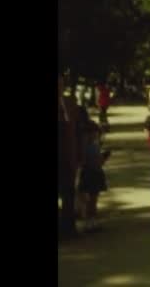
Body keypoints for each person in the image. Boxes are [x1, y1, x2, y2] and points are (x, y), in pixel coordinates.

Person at [58, 73, 83, 239]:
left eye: (60, 84)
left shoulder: (70, 103)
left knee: (68, 192)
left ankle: (68, 228)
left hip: (67, 155)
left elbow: (78, 130)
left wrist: (78, 155)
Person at [77, 121, 110, 233]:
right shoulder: (92, 146)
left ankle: (89, 222)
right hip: (93, 174)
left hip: (88, 173)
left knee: (88, 200)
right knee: (92, 200)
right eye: (95, 132)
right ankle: (91, 222)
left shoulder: (85, 146)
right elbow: (97, 162)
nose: (97, 134)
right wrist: (104, 157)